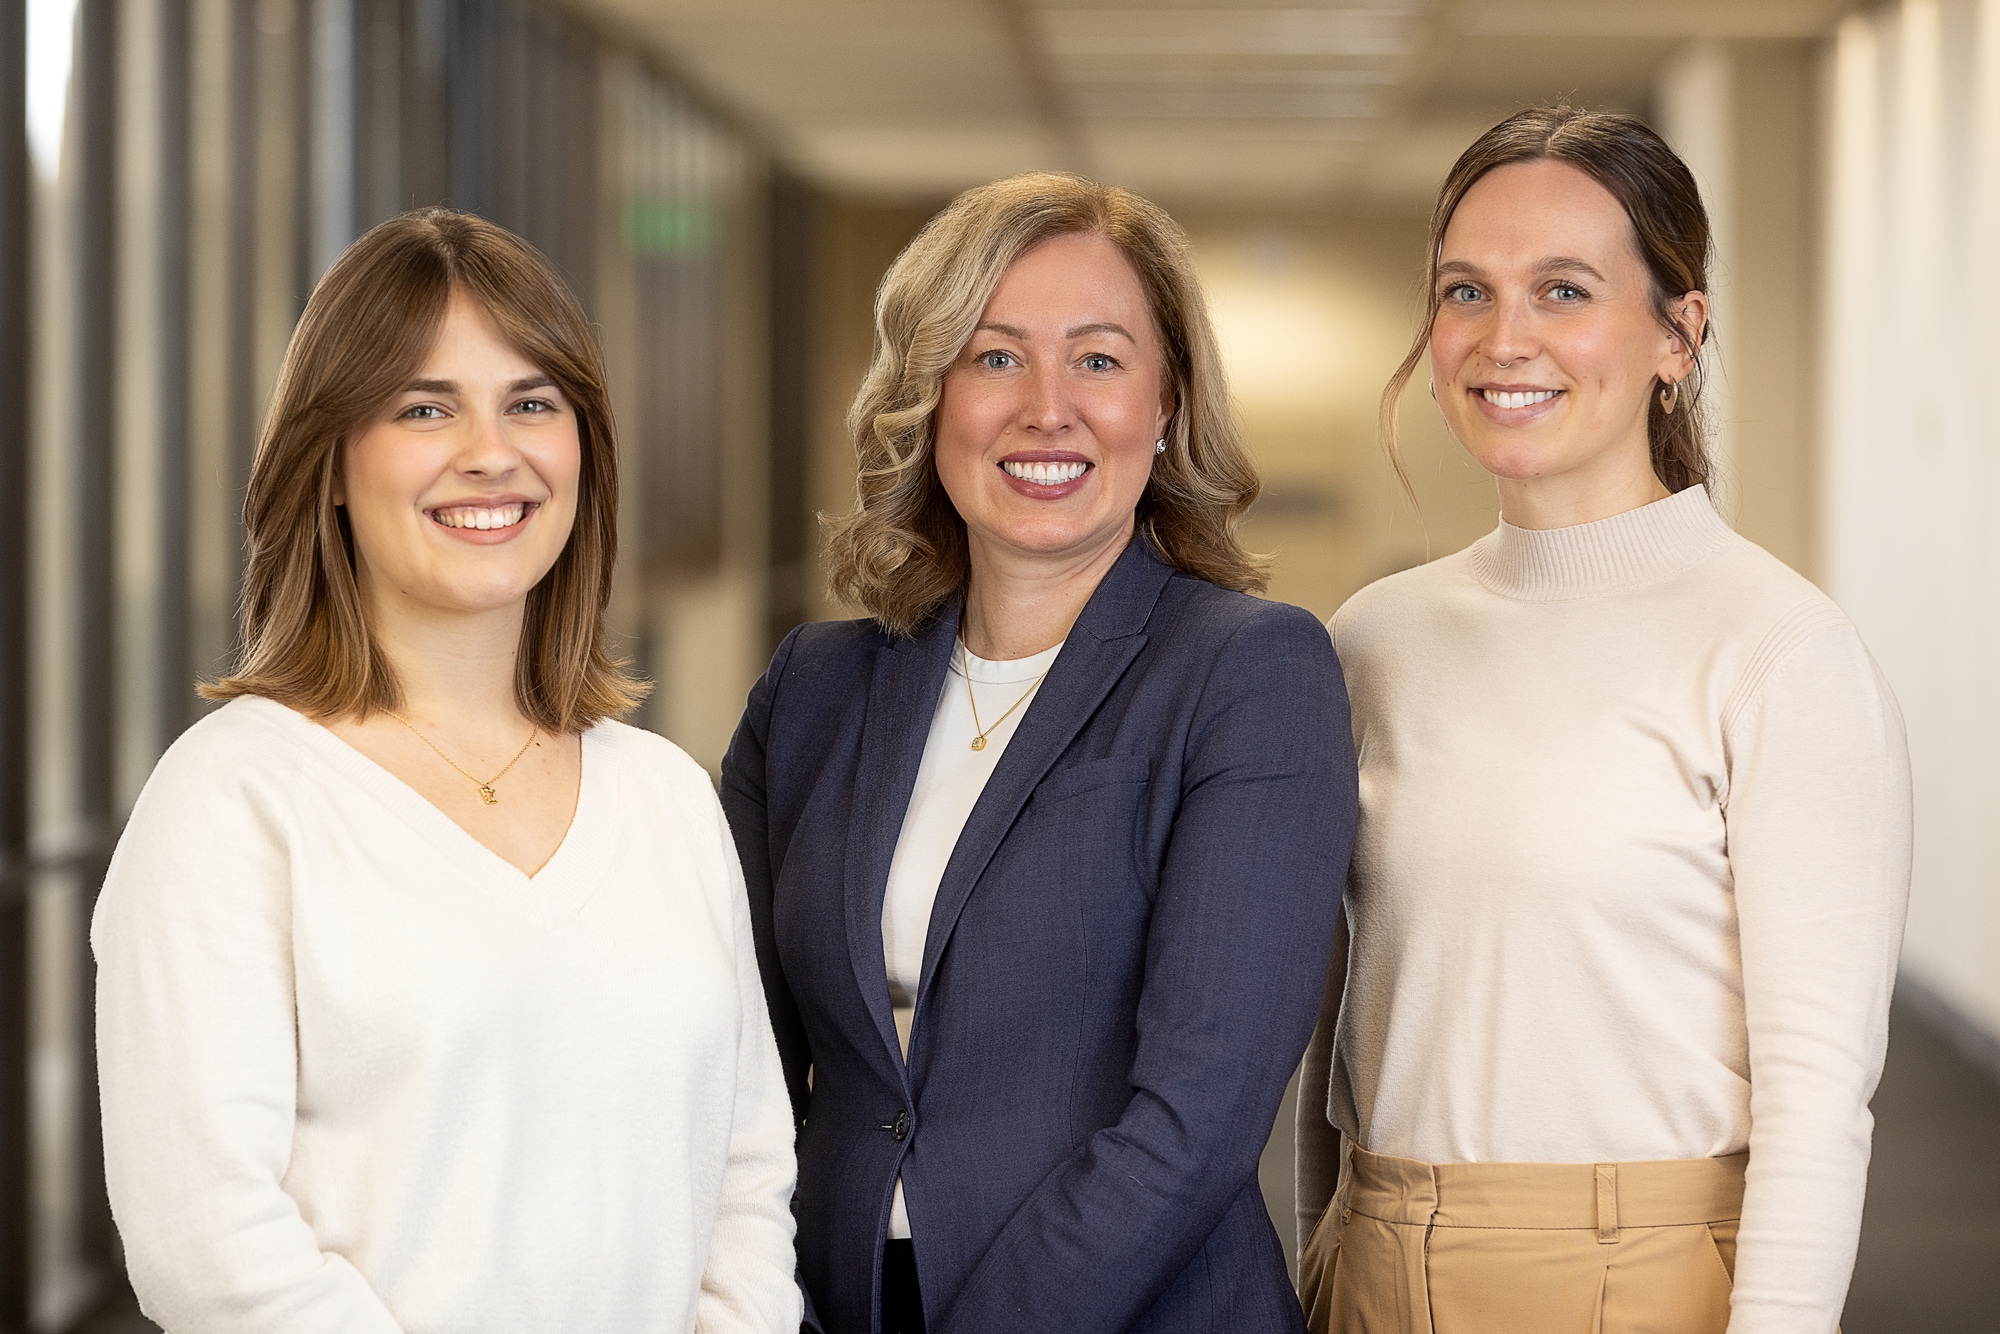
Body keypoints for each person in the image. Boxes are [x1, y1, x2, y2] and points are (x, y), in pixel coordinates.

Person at [92, 208, 801, 1333]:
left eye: (533, 402)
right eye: (426, 407)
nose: (492, 449)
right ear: (328, 464)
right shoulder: (234, 798)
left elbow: (748, 1179)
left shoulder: (665, 796)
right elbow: (209, 1240)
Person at [1294, 106, 1912, 1334]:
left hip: (1644, 1276)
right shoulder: (1369, 638)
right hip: (1370, 1254)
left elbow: (1814, 1093)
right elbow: (1343, 1036)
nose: (1501, 337)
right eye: (1463, 290)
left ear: (1677, 334)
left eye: (1562, 289)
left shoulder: (1775, 649)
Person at [722, 172, 1357, 1334]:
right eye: (995, 356)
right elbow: (731, 1069)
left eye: (1099, 360)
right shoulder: (813, 686)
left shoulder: (1248, 672)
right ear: (929, 396)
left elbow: (1197, 1117)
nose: (1046, 408)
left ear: (1164, 405)